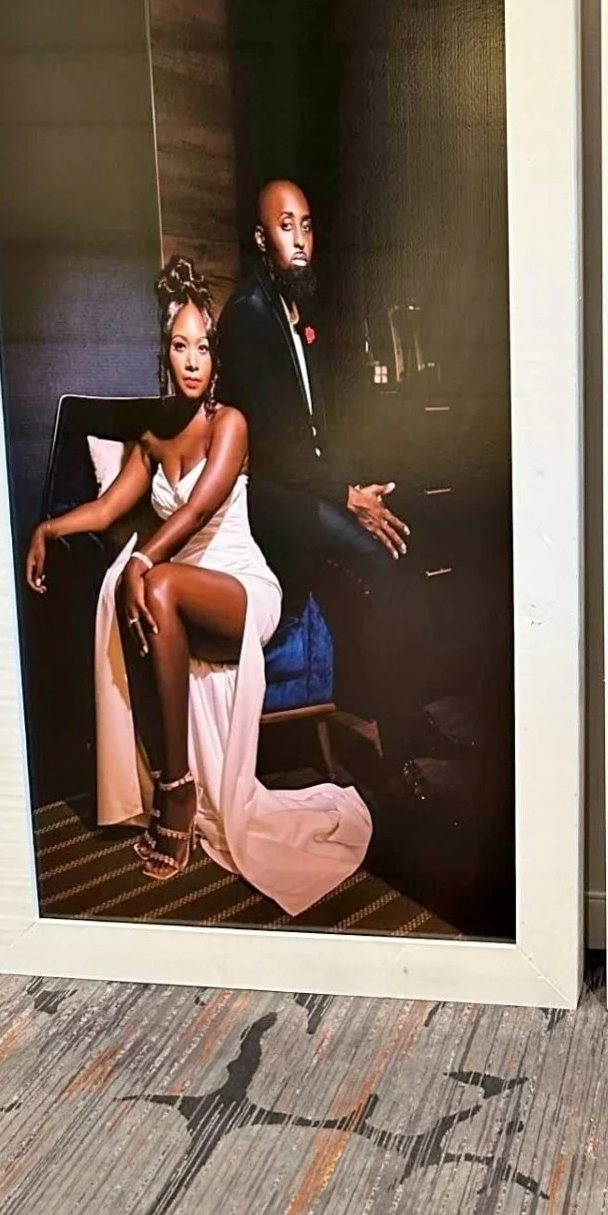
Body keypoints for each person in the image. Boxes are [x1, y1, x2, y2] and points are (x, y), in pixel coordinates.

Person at [24, 256, 371, 915]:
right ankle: (175, 781)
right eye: (180, 346)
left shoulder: (230, 424)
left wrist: (138, 560)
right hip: (181, 586)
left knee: (154, 587)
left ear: (215, 358)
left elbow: (194, 512)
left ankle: (176, 790)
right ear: (166, 353)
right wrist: (48, 527)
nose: (192, 360)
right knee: (158, 590)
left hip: (241, 587)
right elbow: (104, 510)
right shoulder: (152, 436)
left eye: (203, 347)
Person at [215, 179, 448, 780]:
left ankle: (405, 720)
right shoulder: (249, 317)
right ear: (262, 238)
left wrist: (360, 488)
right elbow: (274, 445)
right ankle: (398, 750)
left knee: (402, 545)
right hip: (271, 499)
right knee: (382, 557)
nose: (300, 239)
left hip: (309, 488)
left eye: (307, 225)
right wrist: (349, 499)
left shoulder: (297, 314)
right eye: (285, 226)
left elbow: (319, 433)